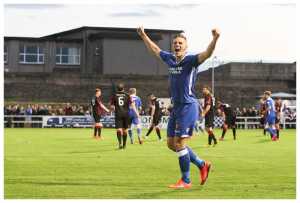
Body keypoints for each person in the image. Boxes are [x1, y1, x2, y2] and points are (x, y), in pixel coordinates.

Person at [138, 26, 219, 189]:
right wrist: (143, 35)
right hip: (176, 107)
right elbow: (155, 49)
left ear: (186, 46)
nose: (177, 45)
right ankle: (202, 164)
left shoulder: (191, 60)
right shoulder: (170, 59)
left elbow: (207, 54)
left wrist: (215, 38)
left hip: (189, 106)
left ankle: (186, 180)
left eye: (180, 43)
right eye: (175, 43)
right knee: (171, 144)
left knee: (180, 143)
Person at [110, 83, 138, 149]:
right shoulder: (127, 95)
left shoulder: (114, 95)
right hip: (126, 114)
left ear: (117, 89)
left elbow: (112, 106)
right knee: (125, 130)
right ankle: (124, 145)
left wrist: (113, 109)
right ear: (123, 89)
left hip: (118, 114)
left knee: (119, 130)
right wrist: (136, 113)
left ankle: (120, 143)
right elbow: (132, 105)